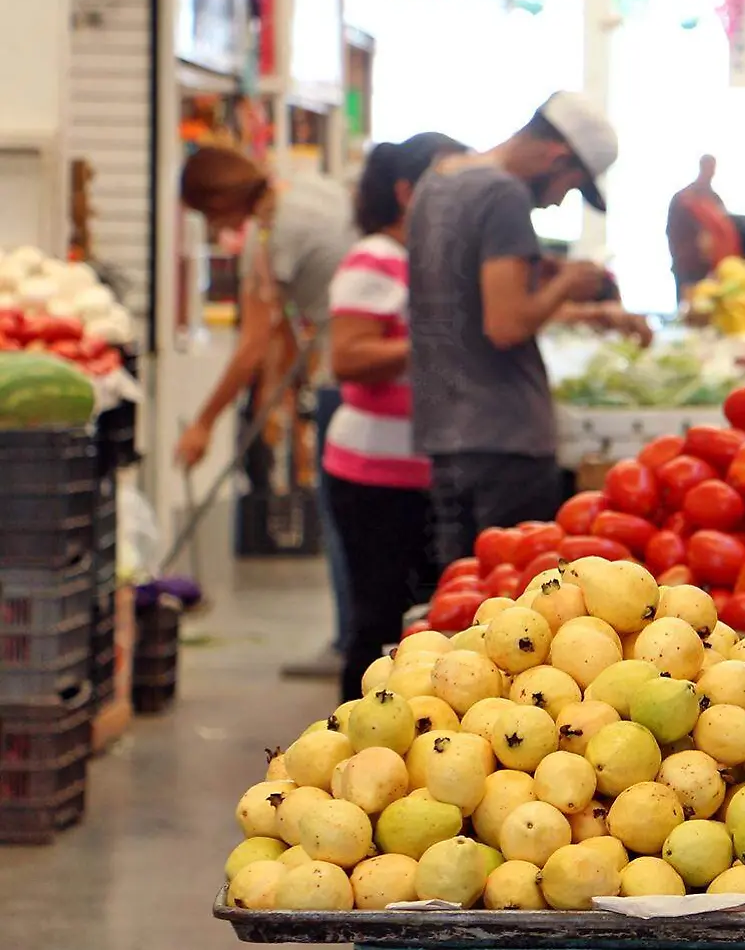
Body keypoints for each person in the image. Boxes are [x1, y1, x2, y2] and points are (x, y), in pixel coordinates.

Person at [406, 92, 637, 570]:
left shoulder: (437, 181)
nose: (557, 203)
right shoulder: (504, 193)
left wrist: (540, 278)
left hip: (445, 428)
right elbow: (506, 325)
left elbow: (465, 296)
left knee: (463, 592)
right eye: (570, 188)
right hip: (505, 437)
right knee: (512, 599)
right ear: (557, 157)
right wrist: (569, 283)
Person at [177, 145, 358, 678]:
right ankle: (357, 637)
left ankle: (349, 642)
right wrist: (271, 395)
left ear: (222, 202)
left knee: (340, 513)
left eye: (209, 217)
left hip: (349, 377)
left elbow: (253, 345)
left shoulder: (270, 235)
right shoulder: (308, 186)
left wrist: (203, 424)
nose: (214, 231)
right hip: (383, 361)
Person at [325, 132, 466, 700]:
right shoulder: (374, 260)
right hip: (373, 475)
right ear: (406, 192)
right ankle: (352, 735)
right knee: (376, 620)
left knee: (413, 626)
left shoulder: (420, 260)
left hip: (415, 473)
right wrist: (439, 342)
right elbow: (348, 356)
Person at [665, 154, 740, 299]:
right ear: (701, 167)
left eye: (712, 168)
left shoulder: (715, 199)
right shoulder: (683, 199)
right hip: (688, 269)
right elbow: (673, 232)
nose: (710, 171)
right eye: (707, 167)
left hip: (714, 271)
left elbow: (725, 230)